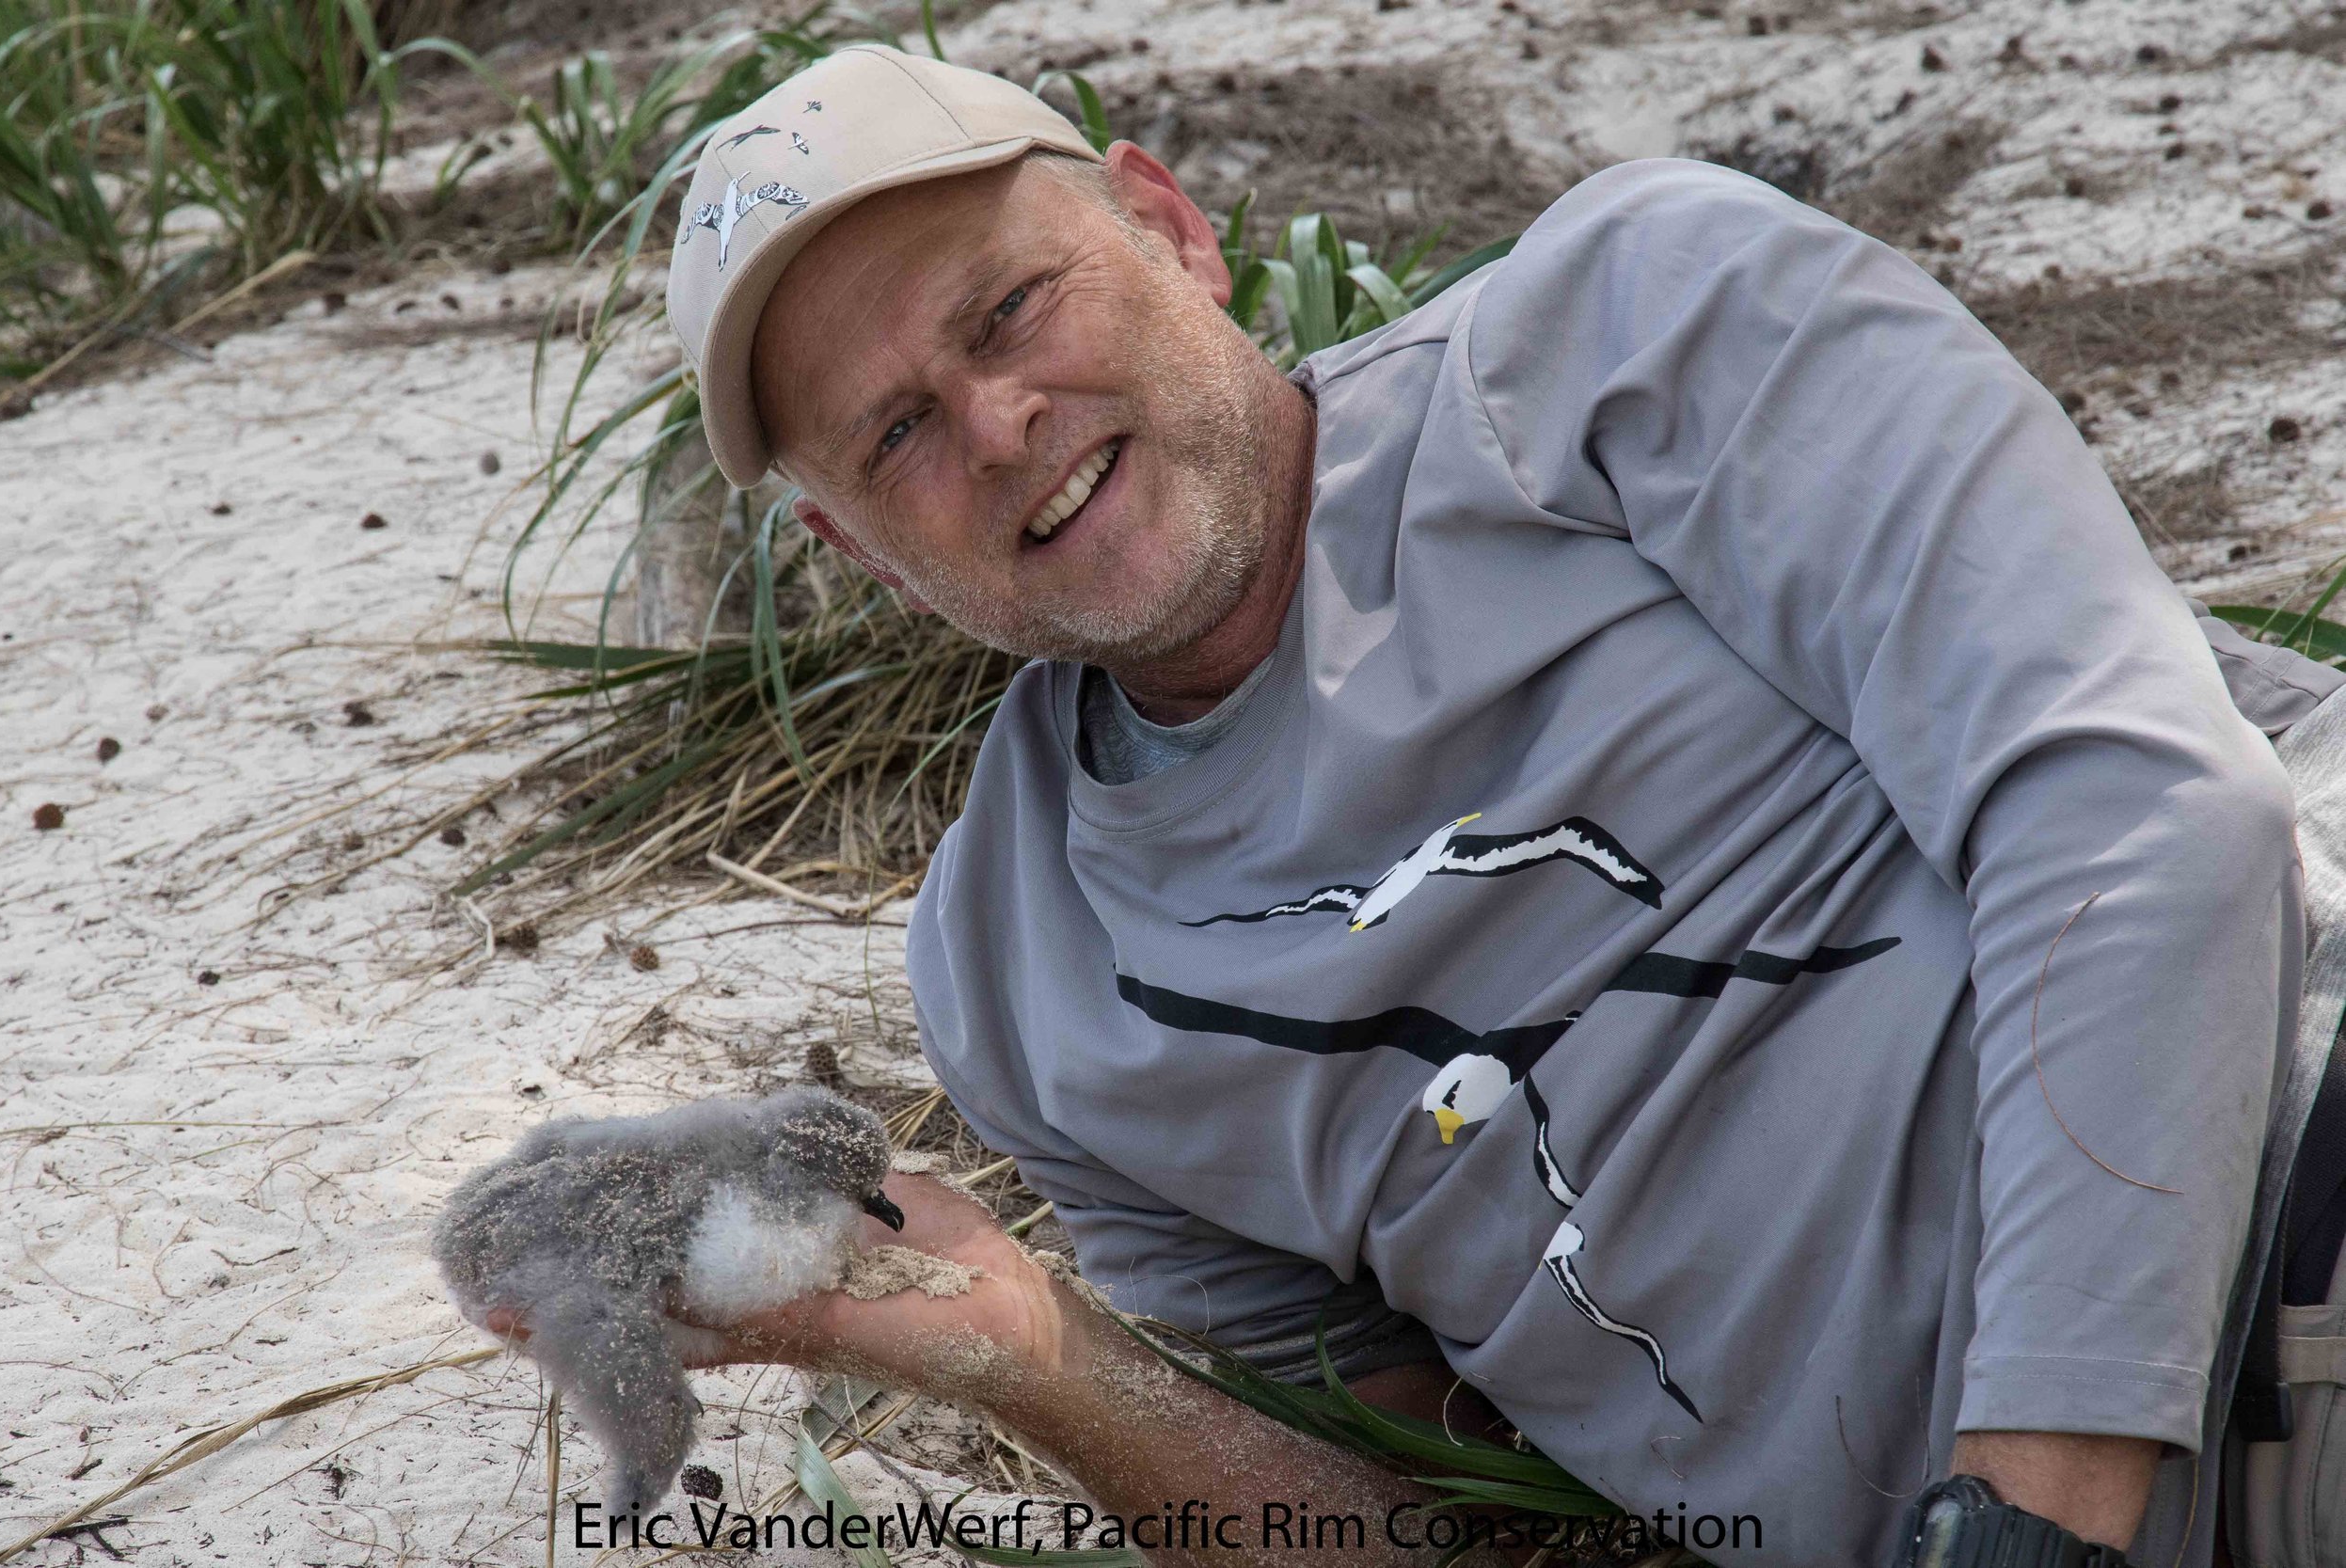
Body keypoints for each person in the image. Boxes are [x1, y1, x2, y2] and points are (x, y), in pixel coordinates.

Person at [610, 43, 2346, 1568]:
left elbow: (2137, 806)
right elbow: (1437, 1526)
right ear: (854, 551)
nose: (995, 424)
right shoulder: (1023, 984)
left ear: (1168, 227)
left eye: (1010, 309)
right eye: (896, 433)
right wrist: (1014, 1345)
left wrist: (2037, 1513)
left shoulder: (1618, 335)